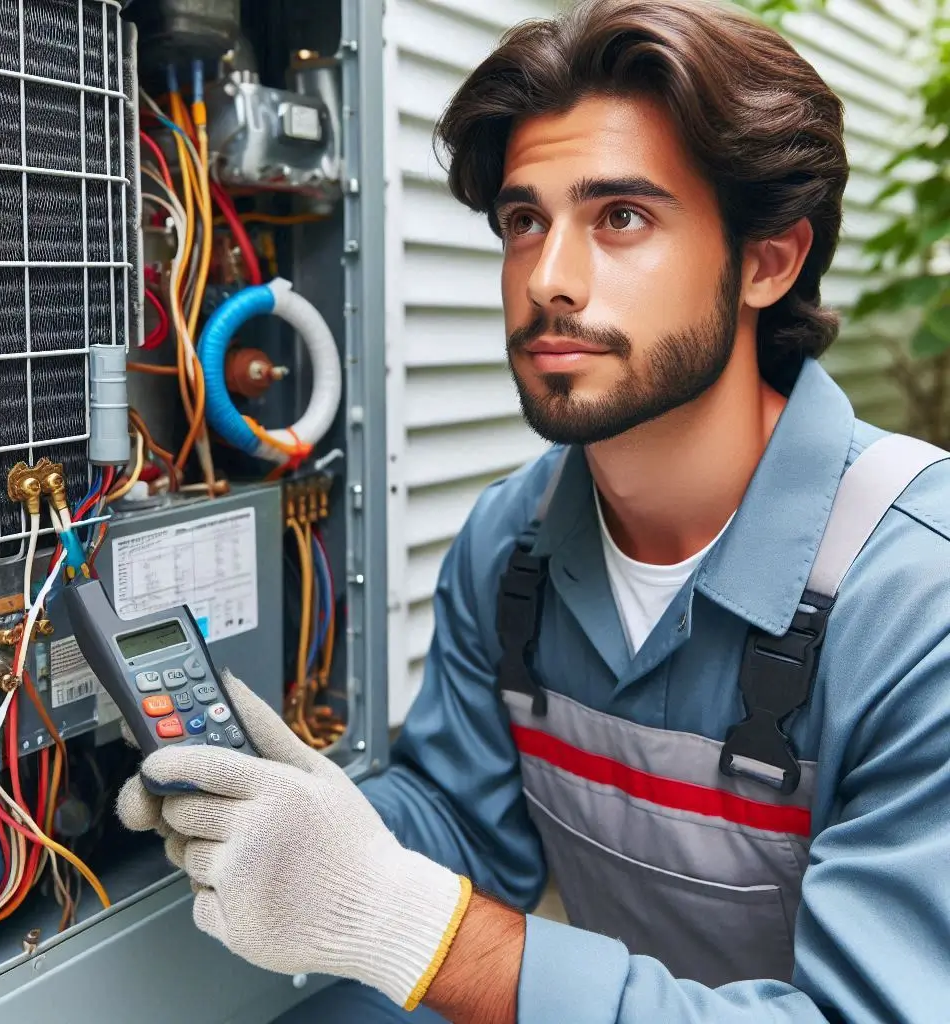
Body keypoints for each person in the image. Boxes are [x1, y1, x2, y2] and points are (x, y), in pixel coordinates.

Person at [117, 0, 950, 1020]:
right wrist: (312, 823)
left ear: (768, 261)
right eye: (524, 222)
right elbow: (468, 832)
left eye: (622, 217)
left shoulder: (918, 601)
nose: (548, 278)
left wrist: (406, 921)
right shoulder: (511, 547)